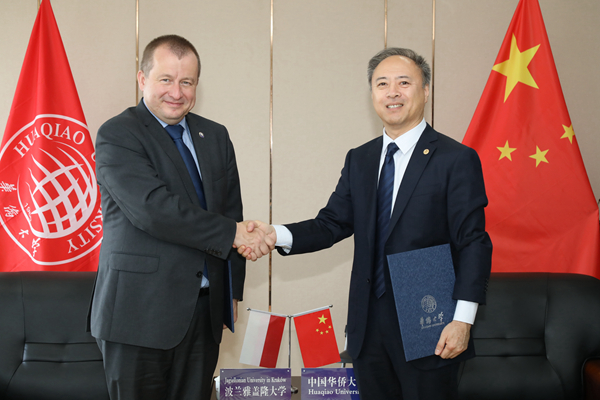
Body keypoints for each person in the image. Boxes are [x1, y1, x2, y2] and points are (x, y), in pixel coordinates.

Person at [241, 48, 492, 399]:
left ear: (425, 90)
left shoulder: (455, 159)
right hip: (367, 327)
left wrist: (462, 319)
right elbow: (331, 224)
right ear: (372, 93)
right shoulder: (360, 159)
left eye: (404, 83)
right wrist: (275, 234)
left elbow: (473, 242)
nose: (392, 92)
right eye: (382, 84)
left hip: (429, 323)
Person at [88, 34, 273, 400]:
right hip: (137, 314)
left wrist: (231, 290)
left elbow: (231, 211)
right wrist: (235, 234)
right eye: (166, 80)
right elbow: (153, 209)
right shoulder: (119, 134)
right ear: (142, 79)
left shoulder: (215, 136)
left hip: (203, 313)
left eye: (187, 82)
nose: (177, 92)